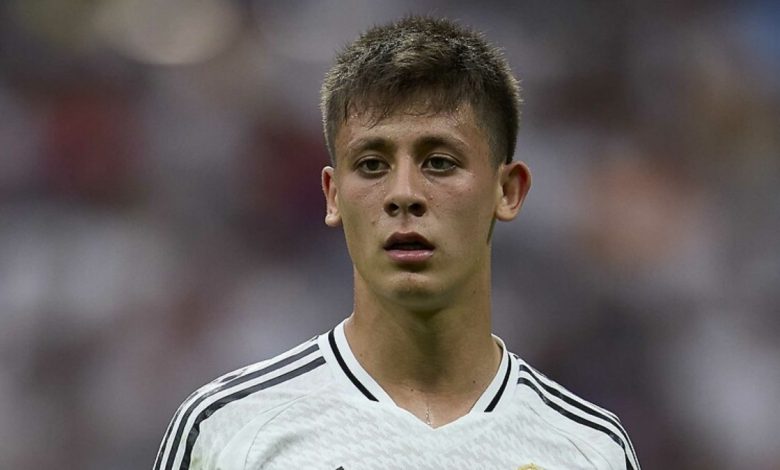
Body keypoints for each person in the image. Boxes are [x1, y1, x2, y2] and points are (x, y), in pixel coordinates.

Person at [153, 16, 640, 469]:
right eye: (371, 165)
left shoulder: (591, 450)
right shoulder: (228, 430)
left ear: (507, 191)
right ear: (333, 195)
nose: (404, 194)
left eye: (440, 162)